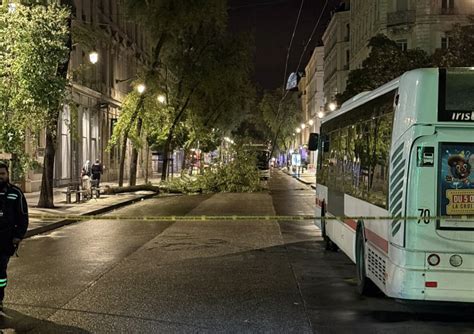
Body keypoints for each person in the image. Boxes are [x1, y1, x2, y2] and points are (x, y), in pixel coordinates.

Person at [0, 162, 28, 312]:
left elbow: (23, 217)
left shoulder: (16, 193)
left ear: (7, 174)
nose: (0, 177)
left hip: (6, 241)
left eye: (2, 174)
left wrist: (18, 236)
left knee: (0, 271)